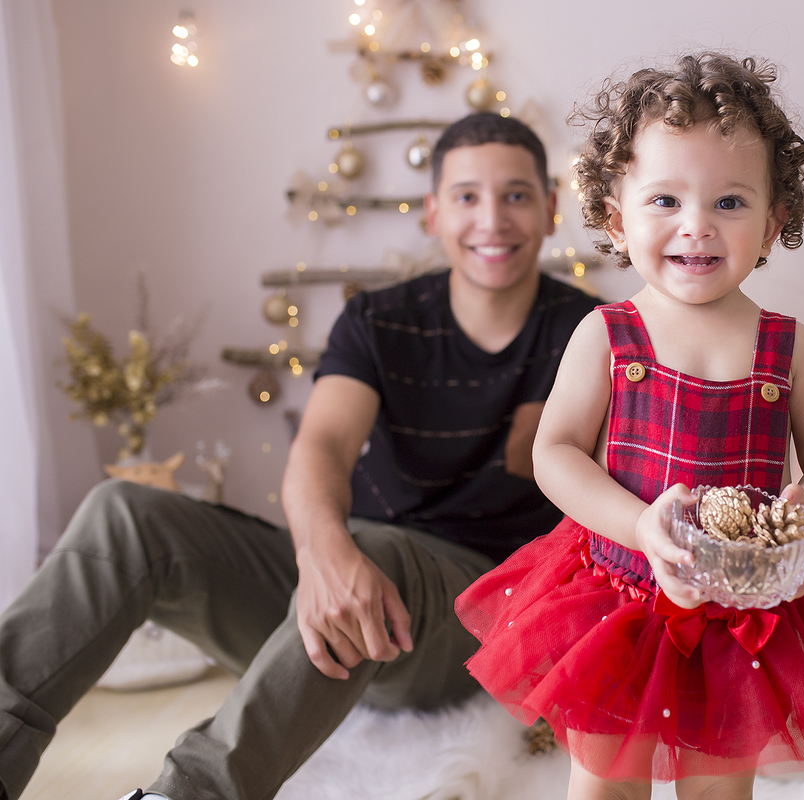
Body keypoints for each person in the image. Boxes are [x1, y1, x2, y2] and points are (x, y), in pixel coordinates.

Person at [0, 111, 598, 800]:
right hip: (352, 574)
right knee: (123, 514)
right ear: (433, 212)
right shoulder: (377, 320)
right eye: (466, 196)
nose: (491, 219)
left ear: (552, 209)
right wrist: (320, 552)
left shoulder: (589, 335)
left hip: (476, 618)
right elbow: (323, 444)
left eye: (516, 195)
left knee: (378, 551)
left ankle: (189, 794)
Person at [454, 54, 804, 800]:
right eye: (665, 199)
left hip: (742, 617)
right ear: (612, 218)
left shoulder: (788, 347)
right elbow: (554, 452)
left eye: (729, 202)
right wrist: (638, 524)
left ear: (772, 225)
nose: (697, 225)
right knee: (605, 778)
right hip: (619, 595)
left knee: (720, 783)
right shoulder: (608, 334)